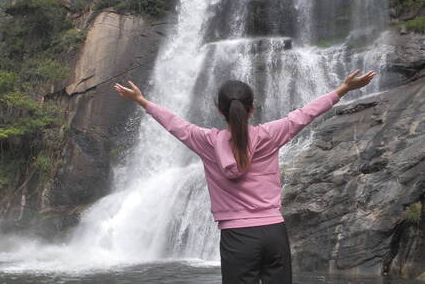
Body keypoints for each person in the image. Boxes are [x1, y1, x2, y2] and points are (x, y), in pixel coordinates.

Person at [113, 69, 377, 284]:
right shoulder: (271, 135)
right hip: (274, 232)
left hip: (237, 236)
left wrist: (142, 101)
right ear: (251, 109)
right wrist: (343, 89)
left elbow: (175, 124)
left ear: (219, 110)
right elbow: (304, 115)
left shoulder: (206, 141)